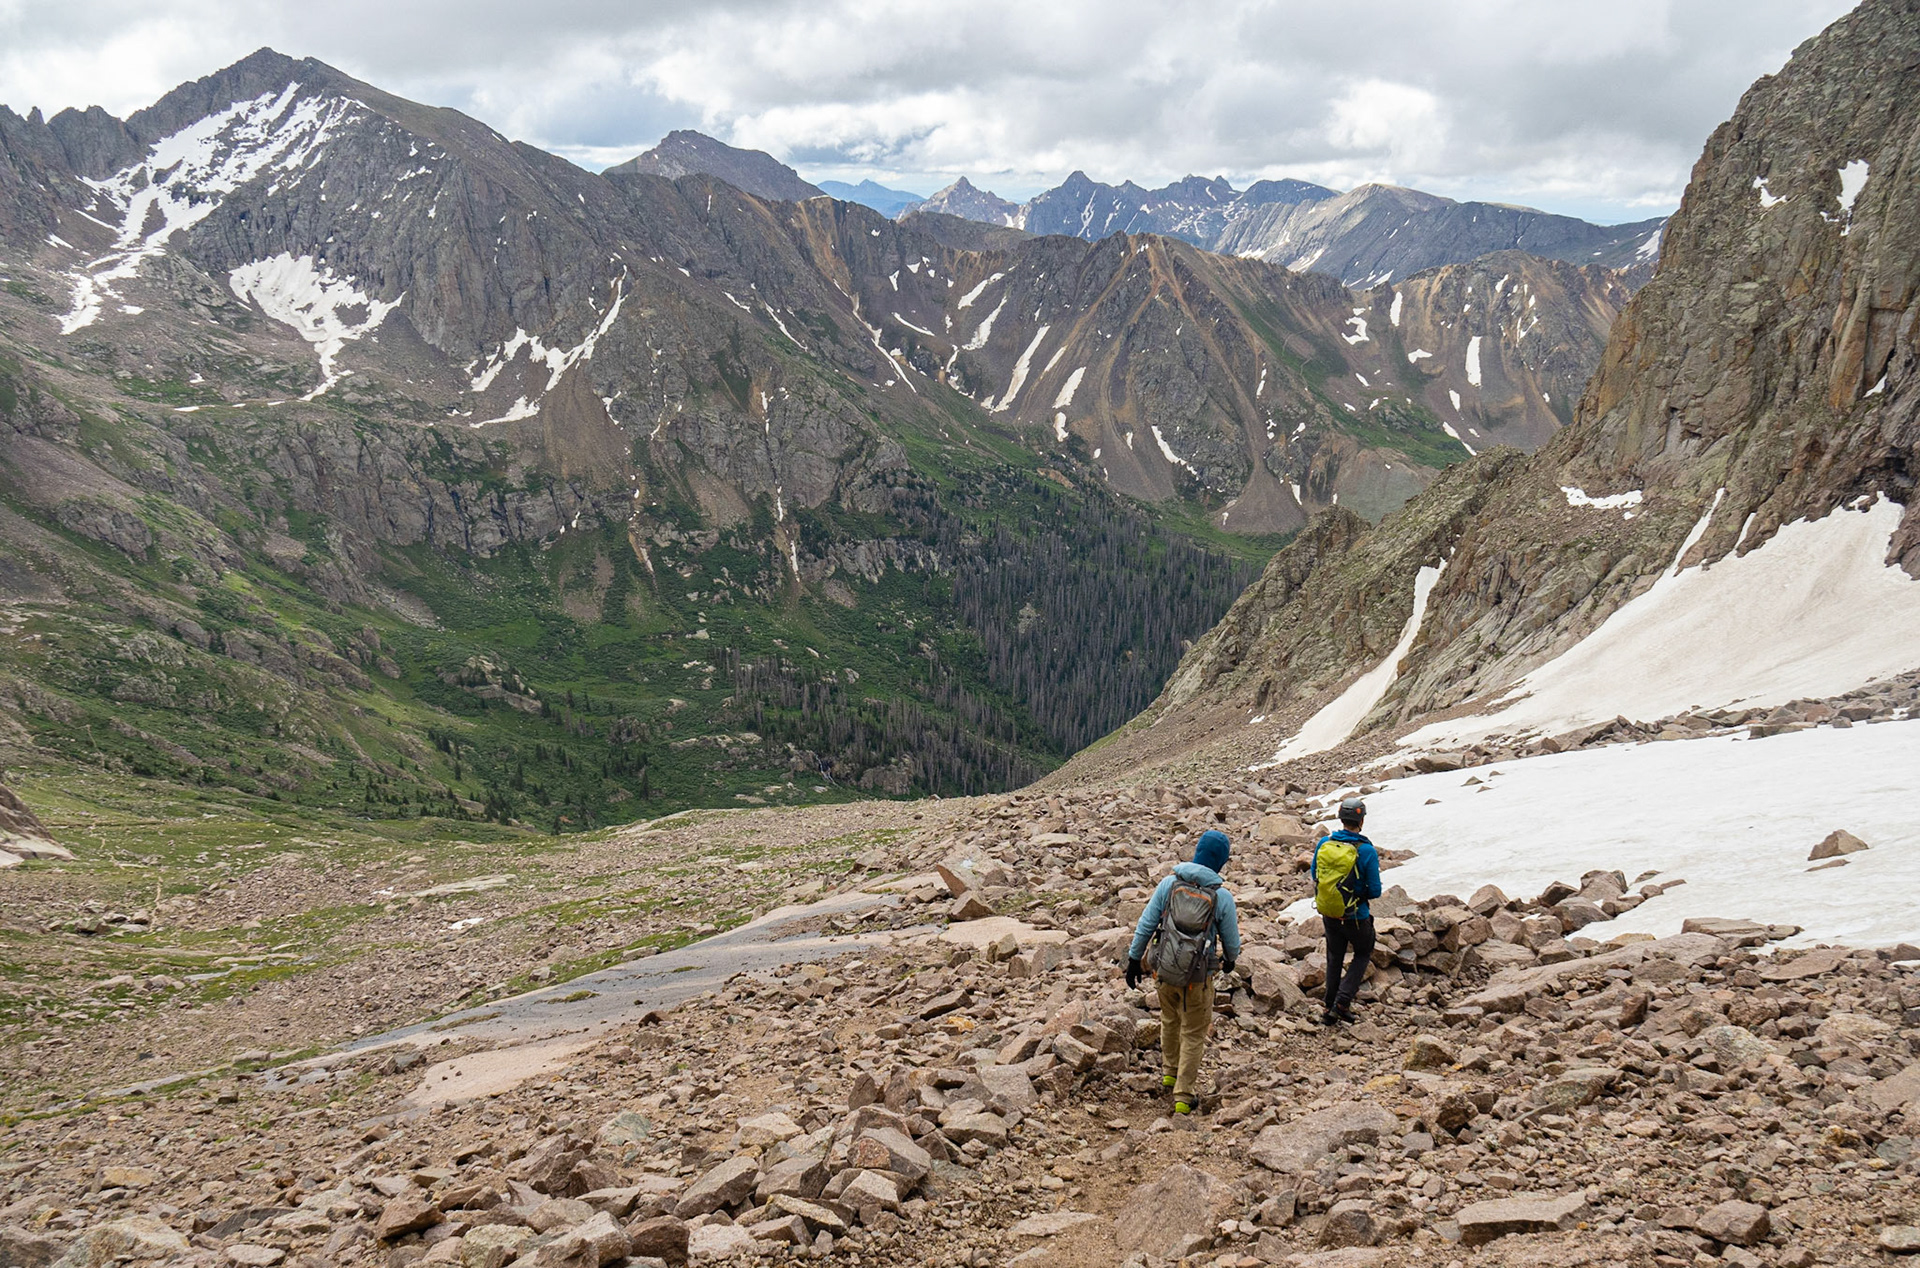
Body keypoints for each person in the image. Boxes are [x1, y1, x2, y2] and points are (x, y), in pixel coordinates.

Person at [1125, 828, 1241, 1114]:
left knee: (1169, 1018)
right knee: (1193, 1032)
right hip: (1198, 978)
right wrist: (1229, 960)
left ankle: (1169, 1072)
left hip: (1164, 970)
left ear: (1197, 851)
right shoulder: (1221, 896)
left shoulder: (1169, 884)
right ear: (1220, 862)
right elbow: (1232, 944)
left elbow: (1147, 923)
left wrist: (1133, 958)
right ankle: (1183, 1096)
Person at [1312, 796, 1383, 1025]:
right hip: (1356, 916)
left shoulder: (1324, 843)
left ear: (1341, 818)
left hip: (1330, 913)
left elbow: (1315, 874)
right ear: (1360, 820)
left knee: (1334, 957)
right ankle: (1342, 1002)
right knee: (1363, 952)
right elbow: (1374, 890)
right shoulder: (1366, 851)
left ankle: (1329, 1006)